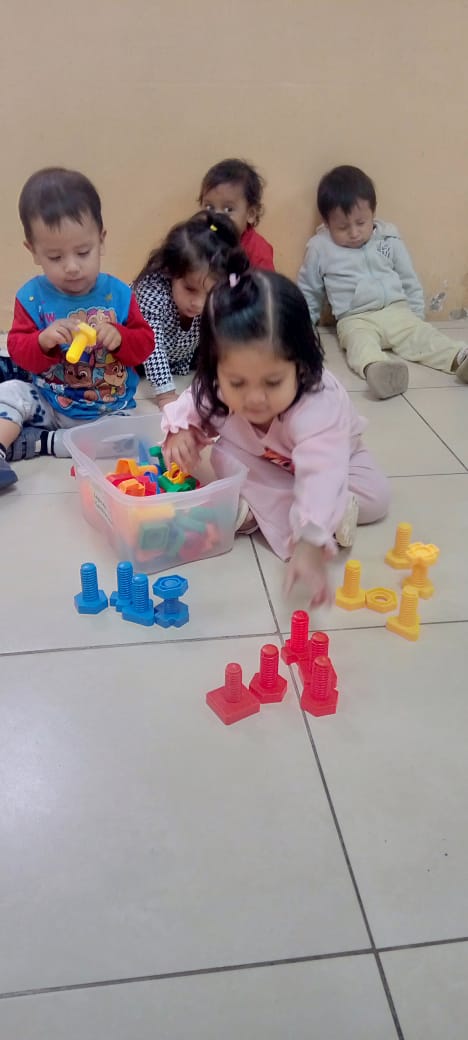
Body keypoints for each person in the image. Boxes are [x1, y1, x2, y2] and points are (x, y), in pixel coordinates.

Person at [160, 263, 390, 605]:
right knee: (223, 456)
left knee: (375, 498)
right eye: (237, 383)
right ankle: (284, 509)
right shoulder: (218, 384)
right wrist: (181, 431)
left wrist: (309, 542)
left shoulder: (316, 404)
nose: (254, 398)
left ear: (302, 366)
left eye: (272, 382)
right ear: (215, 368)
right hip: (263, 459)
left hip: (334, 458)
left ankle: (303, 512)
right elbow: (194, 401)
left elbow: (322, 468)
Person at [0, 166, 153, 490]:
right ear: (33, 251)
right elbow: (19, 350)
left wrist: (121, 338)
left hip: (108, 411)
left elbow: (145, 345)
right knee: (9, 392)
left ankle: (45, 443)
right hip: (50, 401)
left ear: (101, 240)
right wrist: (42, 341)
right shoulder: (32, 297)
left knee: (132, 437)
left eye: (83, 252)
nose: (71, 267)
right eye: (55, 257)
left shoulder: (119, 295)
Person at [298, 165, 468, 399]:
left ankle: (459, 358)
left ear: (373, 214)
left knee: (425, 337)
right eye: (343, 227)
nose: (354, 233)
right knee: (359, 344)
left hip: (396, 310)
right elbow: (309, 291)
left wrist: (415, 315)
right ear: (327, 223)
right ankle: (378, 369)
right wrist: (303, 329)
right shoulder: (320, 248)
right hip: (355, 318)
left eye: (361, 223)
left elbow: (408, 277)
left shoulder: (389, 238)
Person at [133, 211, 239, 409]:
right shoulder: (151, 289)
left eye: (210, 293)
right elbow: (152, 345)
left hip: (180, 359)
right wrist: (166, 395)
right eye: (190, 289)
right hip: (138, 363)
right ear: (169, 271)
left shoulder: (221, 294)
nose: (198, 303)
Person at [199, 158, 275, 271]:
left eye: (228, 209)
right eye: (209, 207)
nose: (216, 216)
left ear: (250, 214)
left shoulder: (258, 252)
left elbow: (264, 282)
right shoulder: (199, 239)